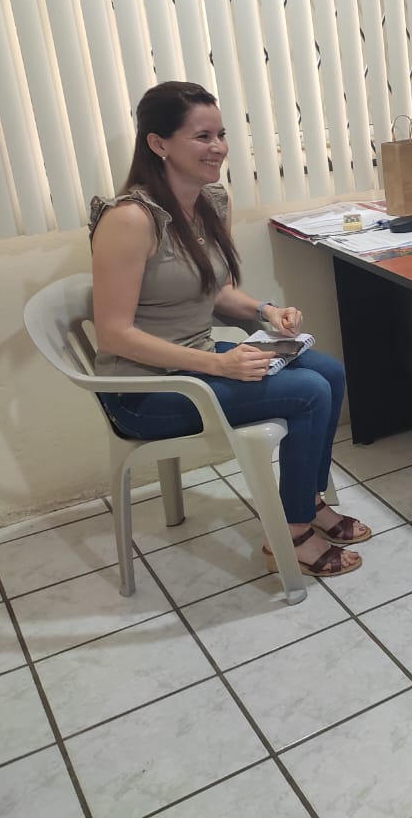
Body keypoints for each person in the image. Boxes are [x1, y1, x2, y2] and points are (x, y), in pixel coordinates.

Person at [90, 81, 370, 578]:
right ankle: (292, 532)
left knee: (329, 371)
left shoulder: (210, 202)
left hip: (196, 360)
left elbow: (213, 291)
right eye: (202, 137)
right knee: (308, 391)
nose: (217, 147)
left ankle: (307, 499)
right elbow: (113, 335)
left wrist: (266, 311)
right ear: (158, 143)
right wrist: (218, 364)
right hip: (143, 390)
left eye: (221, 135)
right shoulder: (129, 219)